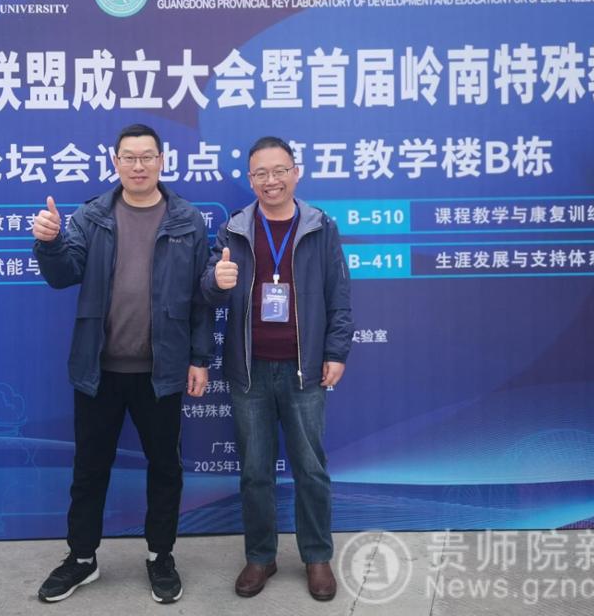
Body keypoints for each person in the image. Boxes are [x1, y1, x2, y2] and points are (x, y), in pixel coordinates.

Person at [32, 123, 212, 604]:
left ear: (161, 161)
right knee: (90, 469)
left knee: (165, 469)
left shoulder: (187, 221)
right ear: (115, 162)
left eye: (147, 156)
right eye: (129, 157)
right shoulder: (92, 216)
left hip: (161, 372)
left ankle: (160, 555)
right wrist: (50, 243)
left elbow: (201, 297)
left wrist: (199, 358)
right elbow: (63, 274)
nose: (138, 166)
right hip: (99, 371)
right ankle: (82, 558)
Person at [202, 136, 354, 602]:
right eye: (261, 173)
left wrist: (336, 352)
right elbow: (208, 291)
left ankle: (317, 556)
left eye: (279, 170)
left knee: (311, 469)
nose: (271, 180)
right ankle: (260, 556)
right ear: (251, 180)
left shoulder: (320, 227)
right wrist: (216, 281)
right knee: (255, 472)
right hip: (249, 372)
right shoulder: (234, 230)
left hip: (304, 371)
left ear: (296, 172)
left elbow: (339, 296)